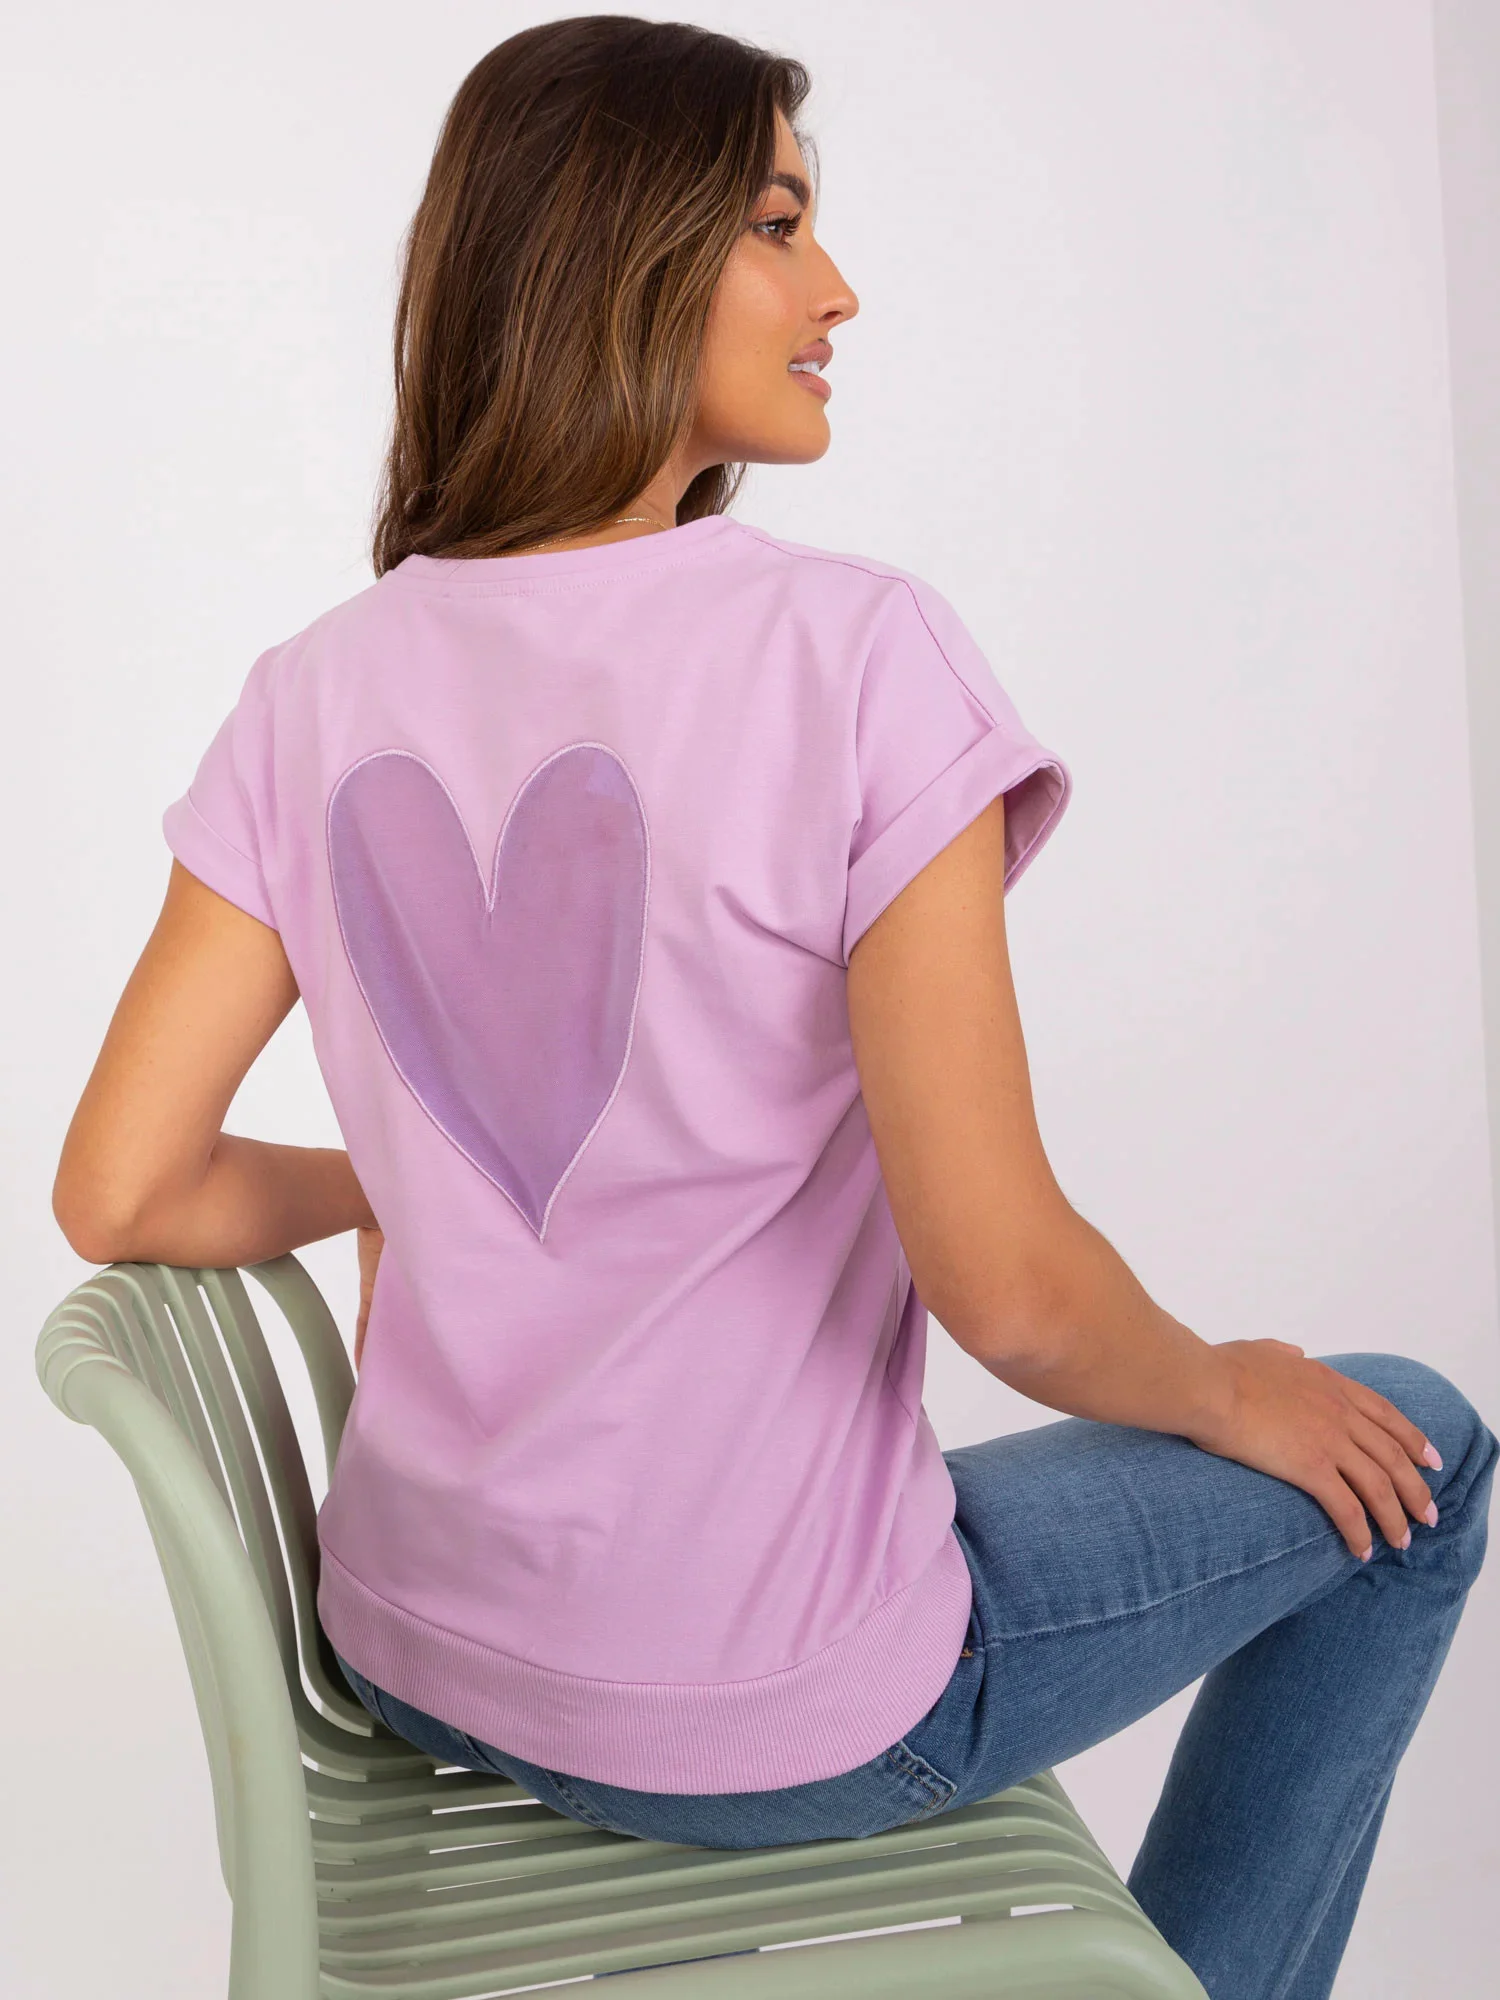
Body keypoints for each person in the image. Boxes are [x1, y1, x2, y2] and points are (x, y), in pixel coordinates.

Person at [50, 17, 1494, 1998]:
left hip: (423, 1653)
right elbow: (1007, 1287)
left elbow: (119, 1188)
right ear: (622, 256)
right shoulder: (856, 657)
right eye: (779, 224)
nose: (839, 291)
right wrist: (1237, 1385)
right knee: (1424, 1449)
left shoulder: (314, 686)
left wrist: (383, 1177)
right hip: (769, 1715)